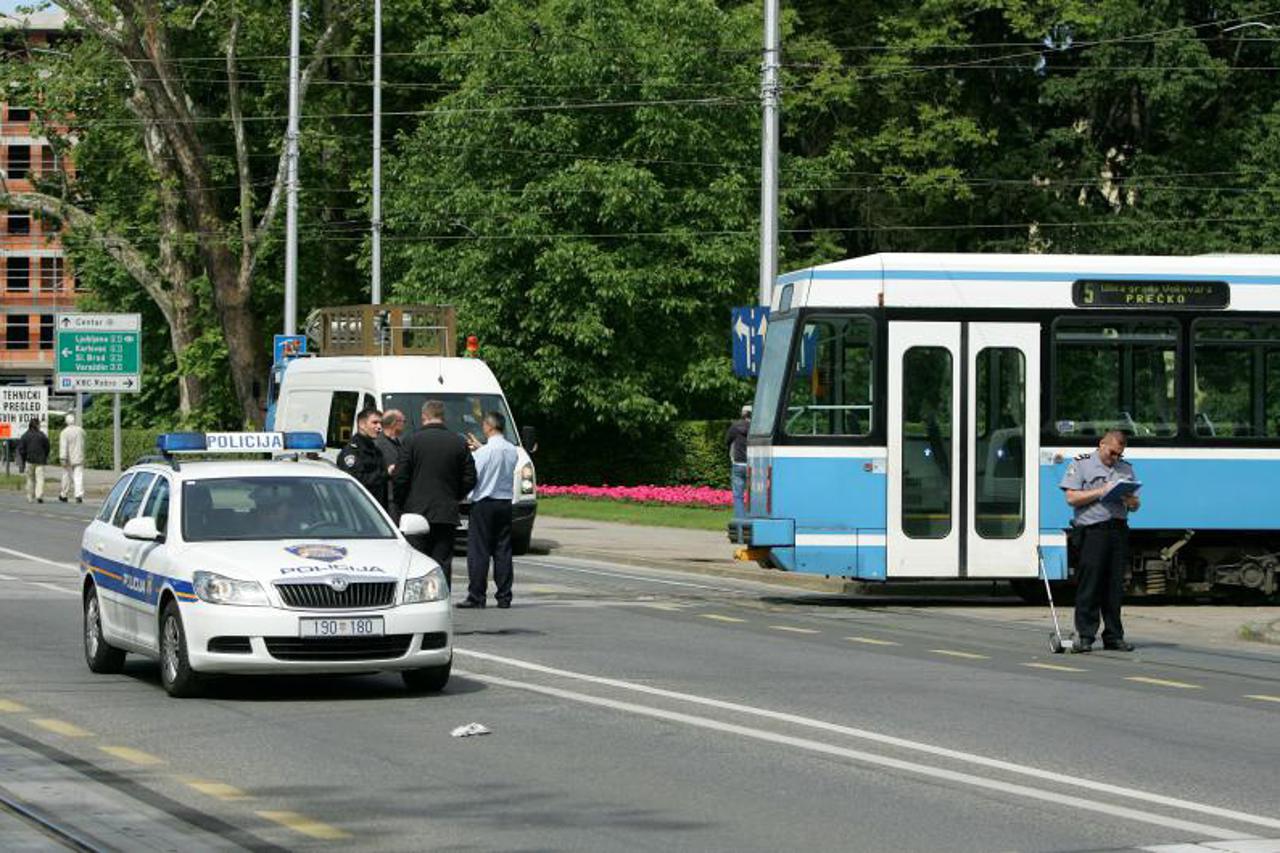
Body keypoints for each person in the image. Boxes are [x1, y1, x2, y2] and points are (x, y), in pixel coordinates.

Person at [1060, 429, 1140, 653]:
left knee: (1115, 586)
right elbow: (1071, 498)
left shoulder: (1125, 468)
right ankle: (1086, 635)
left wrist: (1131, 501)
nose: (1115, 458)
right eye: (1112, 453)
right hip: (1093, 531)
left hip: (1118, 529)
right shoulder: (1082, 464)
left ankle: (1114, 636)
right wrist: (1102, 491)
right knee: (1091, 584)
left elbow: (1135, 504)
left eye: (1119, 454)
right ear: (1102, 445)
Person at [394, 400, 476, 590]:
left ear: (424, 417)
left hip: (416, 511)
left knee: (416, 560)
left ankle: (417, 598)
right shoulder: (458, 442)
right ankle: (441, 596)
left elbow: (400, 476)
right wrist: (455, 495)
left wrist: (402, 501)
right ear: (443, 417)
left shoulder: (412, 441)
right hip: (446, 511)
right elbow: (471, 477)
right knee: (442, 561)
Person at [460, 412, 519, 609]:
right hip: (504, 502)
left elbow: (475, 475)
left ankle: (477, 596)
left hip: (484, 502)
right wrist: (481, 447)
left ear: (488, 426)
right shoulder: (512, 450)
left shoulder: (482, 453)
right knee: (503, 550)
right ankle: (504, 596)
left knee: (479, 551)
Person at [339, 408, 388, 509]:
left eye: (381, 423)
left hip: (376, 508)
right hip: (359, 510)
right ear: (362, 424)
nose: (379, 427)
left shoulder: (375, 450)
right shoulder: (352, 452)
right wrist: (385, 474)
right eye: (375, 423)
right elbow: (355, 481)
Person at [375, 408, 407, 515]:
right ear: (394, 423)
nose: (404, 425)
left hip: (400, 496)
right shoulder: (379, 444)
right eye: (403, 421)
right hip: (389, 498)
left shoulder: (400, 443)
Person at [725, 404, 751, 517]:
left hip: (738, 463)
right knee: (755, 494)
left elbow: (727, 441)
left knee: (738, 495)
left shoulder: (735, 427)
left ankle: (741, 519)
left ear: (742, 414)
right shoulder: (757, 428)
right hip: (752, 464)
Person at [17, 417, 49, 504]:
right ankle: (39, 495)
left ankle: (30, 496)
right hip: (40, 460)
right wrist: (45, 456)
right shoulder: (42, 435)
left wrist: (24, 458)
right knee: (40, 479)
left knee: (30, 479)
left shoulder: (25, 436)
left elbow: (21, 449)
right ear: (38, 425)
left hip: (29, 460)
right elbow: (47, 447)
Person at [58, 413, 87, 503]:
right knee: (78, 476)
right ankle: (78, 495)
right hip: (79, 456)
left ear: (66, 422)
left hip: (68, 458)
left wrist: (63, 457)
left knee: (66, 476)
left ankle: (64, 494)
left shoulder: (64, 432)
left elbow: (63, 446)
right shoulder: (80, 430)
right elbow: (85, 437)